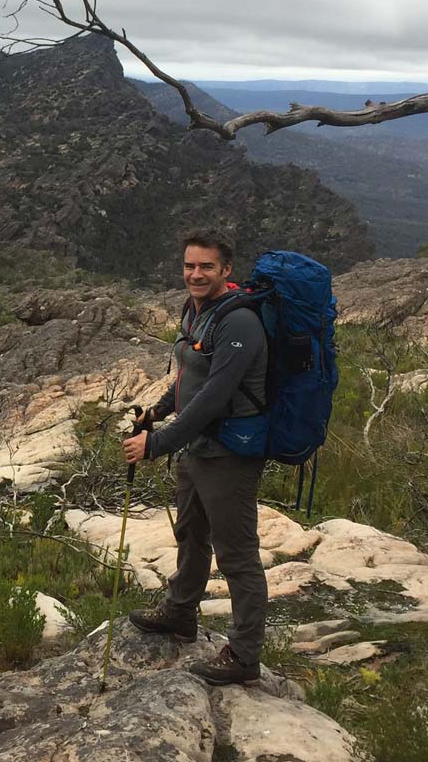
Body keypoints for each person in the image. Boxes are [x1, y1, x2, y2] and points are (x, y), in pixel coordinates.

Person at [121, 230, 269, 685]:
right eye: (190, 265)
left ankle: (244, 656)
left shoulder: (239, 322)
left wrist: (158, 443)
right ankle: (180, 613)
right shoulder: (197, 310)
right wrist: (156, 412)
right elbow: (190, 375)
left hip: (229, 453)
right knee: (190, 534)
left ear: (226, 269)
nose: (196, 274)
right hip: (197, 446)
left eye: (206, 266)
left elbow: (215, 396)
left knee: (237, 555)